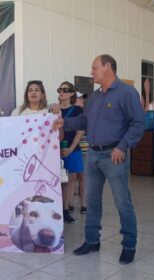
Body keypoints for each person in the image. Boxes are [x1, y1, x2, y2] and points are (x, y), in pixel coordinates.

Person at [58, 54, 145, 264]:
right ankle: (91, 241)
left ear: (108, 67)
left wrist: (123, 146)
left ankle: (129, 245)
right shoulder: (95, 97)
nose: (92, 72)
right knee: (92, 201)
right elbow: (83, 121)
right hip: (93, 155)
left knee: (122, 202)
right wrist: (63, 122)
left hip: (114, 155)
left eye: (95, 68)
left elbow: (138, 123)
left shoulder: (126, 93)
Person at [57, 82, 85, 223]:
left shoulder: (77, 110)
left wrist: (70, 149)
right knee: (58, 180)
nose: (62, 92)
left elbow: (80, 132)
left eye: (65, 90)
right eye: (60, 89)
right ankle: (57, 209)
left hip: (72, 149)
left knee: (70, 180)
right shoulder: (53, 110)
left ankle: (65, 210)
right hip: (55, 150)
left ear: (72, 93)